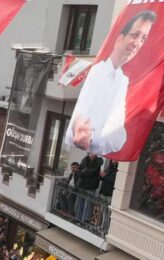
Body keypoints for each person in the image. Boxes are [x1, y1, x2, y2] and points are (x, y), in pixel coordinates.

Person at [66, 10, 156, 155]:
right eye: (135, 35)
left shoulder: (122, 81)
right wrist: (85, 129)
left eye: (143, 39)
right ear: (120, 39)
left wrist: (92, 134)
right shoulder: (97, 72)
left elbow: (118, 139)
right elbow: (80, 123)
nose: (137, 43)